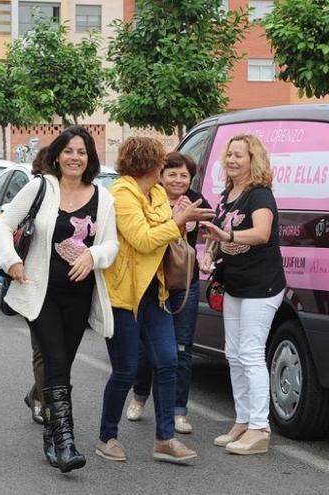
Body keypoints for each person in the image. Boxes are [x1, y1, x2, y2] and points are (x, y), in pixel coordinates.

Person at [0, 126, 119, 473]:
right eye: (68, 151)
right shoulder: (40, 188)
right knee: (55, 358)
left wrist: (93, 255)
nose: (75, 157)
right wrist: (12, 261)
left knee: (60, 364)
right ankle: (65, 443)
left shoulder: (102, 197)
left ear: (90, 158)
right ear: (58, 155)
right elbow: (3, 225)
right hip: (40, 291)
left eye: (81, 151)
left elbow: (112, 244)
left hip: (80, 296)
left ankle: (52, 434)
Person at [96, 137, 214, 464]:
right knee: (126, 369)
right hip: (125, 295)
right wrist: (176, 222)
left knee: (168, 361)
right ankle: (107, 436)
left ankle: (165, 439)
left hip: (156, 291)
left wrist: (173, 223)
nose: (166, 168)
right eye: (161, 162)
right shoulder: (120, 194)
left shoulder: (158, 193)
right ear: (151, 165)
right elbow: (145, 239)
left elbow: (162, 232)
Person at [199, 133, 287, 455]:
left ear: (254, 160)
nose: (233, 160)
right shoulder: (227, 194)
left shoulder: (259, 194)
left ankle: (260, 428)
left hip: (261, 286)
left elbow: (262, 233)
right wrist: (211, 253)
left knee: (250, 353)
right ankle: (243, 420)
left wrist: (229, 234)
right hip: (235, 283)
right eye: (230, 155)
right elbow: (218, 234)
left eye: (240, 155)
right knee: (234, 354)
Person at [126, 152, 210, 435]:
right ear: (160, 176)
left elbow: (214, 231)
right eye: (171, 173)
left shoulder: (197, 201)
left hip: (184, 281)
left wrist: (205, 243)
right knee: (145, 349)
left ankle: (178, 411)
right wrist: (175, 219)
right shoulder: (150, 200)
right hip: (151, 280)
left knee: (182, 348)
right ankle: (139, 396)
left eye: (184, 175)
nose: (178, 179)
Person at [22, 145, 50, 426]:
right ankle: (42, 400)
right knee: (42, 347)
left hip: (66, 284)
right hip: (34, 280)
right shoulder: (36, 192)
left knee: (59, 350)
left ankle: (36, 393)